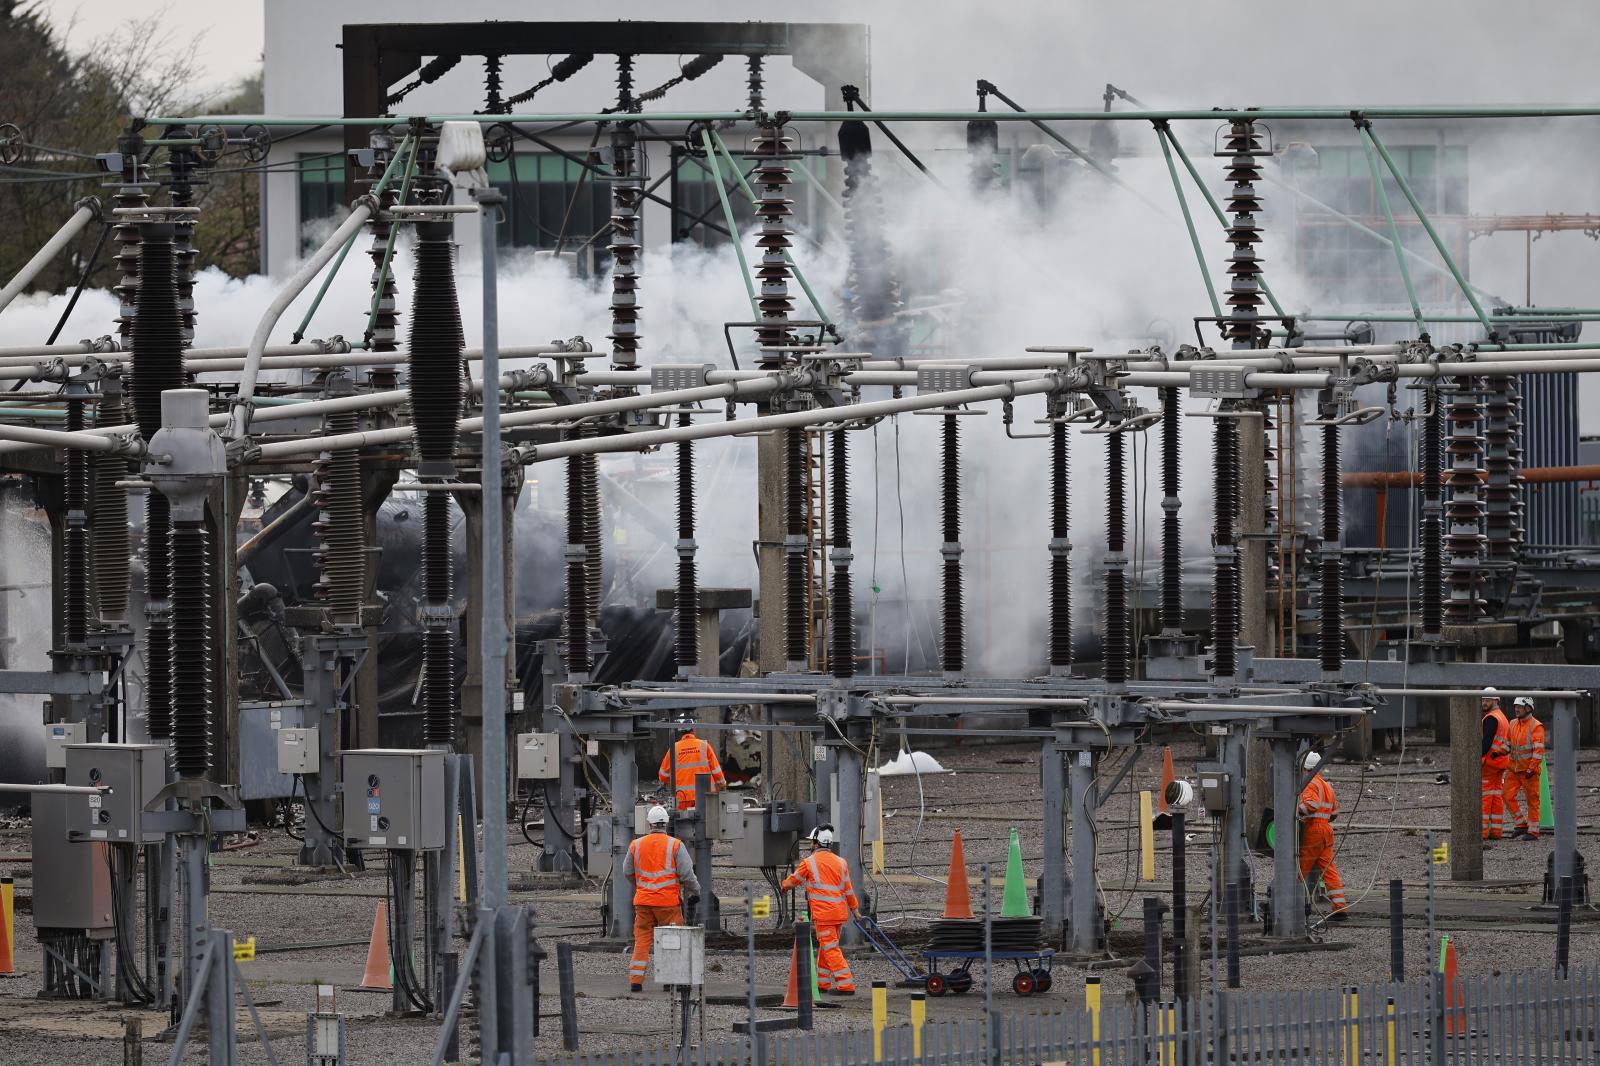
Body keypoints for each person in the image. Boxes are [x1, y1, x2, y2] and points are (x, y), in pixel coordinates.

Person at [623, 804, 700, 992]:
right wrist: (696, 891)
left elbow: (627, 871)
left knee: (641, 940)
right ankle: (670, 980)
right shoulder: (675, 845)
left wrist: (642, 886)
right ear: (666, 823)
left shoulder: (636, 845)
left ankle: (635, 981)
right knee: (672, 940)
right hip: (668, 903)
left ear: (649, 824)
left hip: (643, 903)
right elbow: (687, 875)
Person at [781, 825, 860, 995]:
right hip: (839, 914)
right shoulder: (841, 862)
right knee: (827, 948)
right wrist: (855, 910)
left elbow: (794, 880)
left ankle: (846, 985)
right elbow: (848, 890)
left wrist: (784, 885)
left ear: (817, 843)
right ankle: (822, 984)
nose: (810, 845)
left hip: (824, 915)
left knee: (830, 949)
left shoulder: (808, 863)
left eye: (812, 842)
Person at [1296, 752, 1349, 920]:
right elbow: (1335, 812)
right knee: (1328, 870)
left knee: (1299, 868)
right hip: (1326, 829)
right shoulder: (1326, 785)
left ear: (1305, 768)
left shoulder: (1310, 782)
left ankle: (1287, 903)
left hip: (1314, 830)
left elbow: (1311, 805)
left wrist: (1295, 812)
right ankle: (1340, 908)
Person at [658, 718, 728, 812]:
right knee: (706, 823)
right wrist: (722, 785)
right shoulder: (704, 745)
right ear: (694, 729)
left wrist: (664, 783)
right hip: (705, 796)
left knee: (683, 824)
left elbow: (663, 774)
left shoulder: (674, 748)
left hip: (682, 797)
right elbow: (716, 770)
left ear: (680, 730)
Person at [1505, 696, 1546, 840]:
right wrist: (1498, 753)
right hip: (1514, 770)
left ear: (1528, 708)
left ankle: (1533, 832)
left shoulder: (1536, 726)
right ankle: (1521, 824)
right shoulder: (1512, 723)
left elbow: (1538, 751)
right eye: (1515, 706)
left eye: (1520, 707)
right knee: (1507, 796)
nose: (1516, 709)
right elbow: (1508, 744)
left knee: (1532, 801)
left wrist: (1531, 768)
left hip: (1529, 772)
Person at [1481, 688, 1512, 841]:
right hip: (1500, 762)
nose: (1484, 703)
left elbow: (1486, 742)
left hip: (1489, 763)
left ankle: (1482, 832)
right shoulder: (1503, 718)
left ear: (1496, 701)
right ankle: (1496, 831)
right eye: (1483, 700)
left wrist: (1476, 756)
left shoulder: (1491, 718)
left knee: (1485, 796)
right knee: (1495, 795)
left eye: (1487, 700)